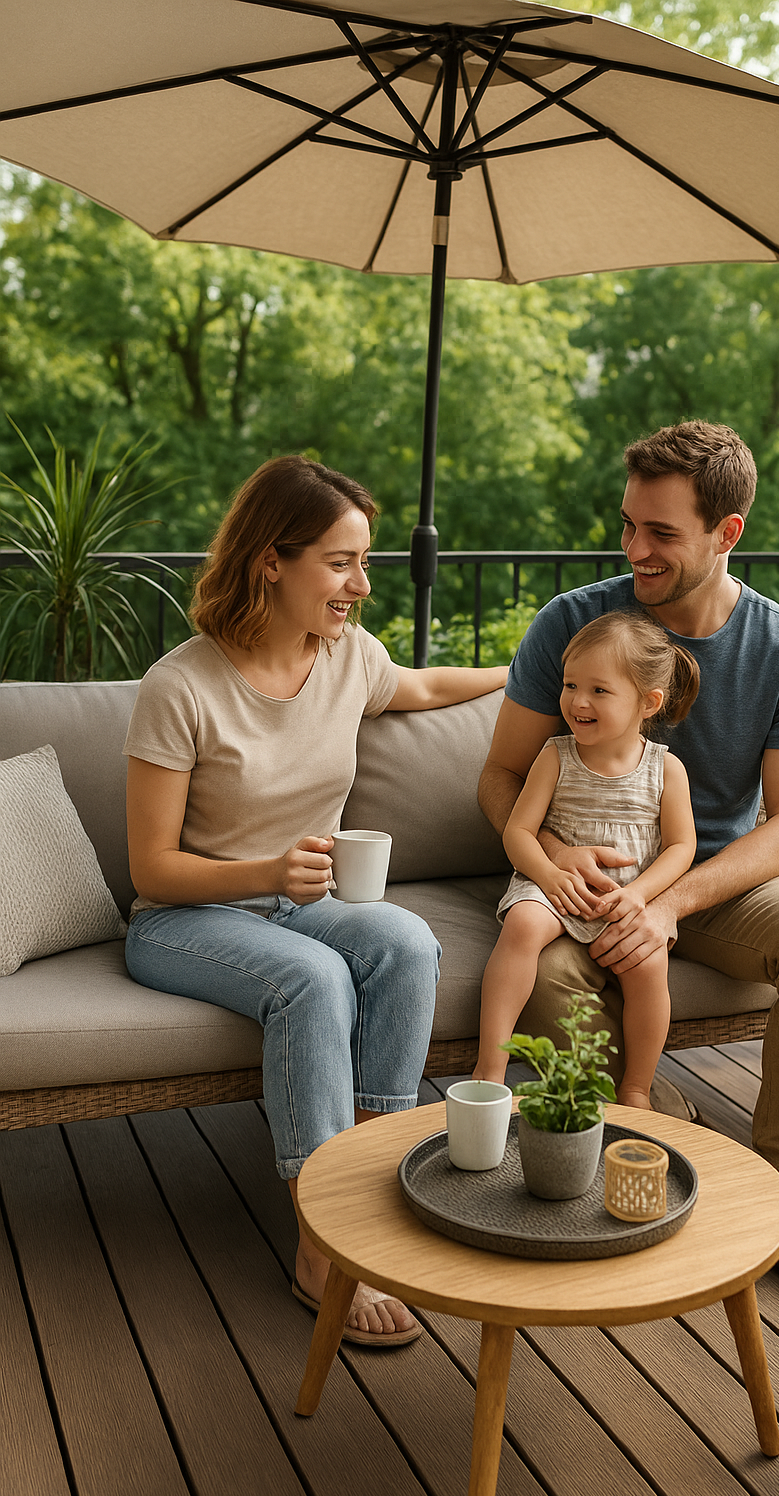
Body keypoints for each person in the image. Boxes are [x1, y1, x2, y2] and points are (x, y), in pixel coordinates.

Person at [478, 421, 779, 1297]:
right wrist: (549, 856)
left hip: (716, 884)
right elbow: (504, 775)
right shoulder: (572, 624)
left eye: (662, 533)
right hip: (587, 889)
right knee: (543, 983)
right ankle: (635, 1128)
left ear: (727, 533)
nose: (635, 549)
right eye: (628, 526)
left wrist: (671, 903)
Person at [123, 455, 507, 1344]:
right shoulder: (180, 686)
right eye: (341, 563)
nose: (361, 585)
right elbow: (151, 871)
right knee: (314, 984)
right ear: (272, 561)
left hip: (297, 905)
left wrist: (523, 675)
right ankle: (322, 1246)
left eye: (363, 562)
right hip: (186, 918)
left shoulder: (350, 658)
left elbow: (423, 687)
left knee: (406, 942)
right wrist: (266, 873)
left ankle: (375, 1194)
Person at [472, 611, 699, 1109]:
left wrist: (639, 895)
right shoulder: (556, 755)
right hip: (553, 886)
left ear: (648, 702)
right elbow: (519, 831)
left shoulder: (666, 769)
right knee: (523, 927)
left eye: (599, 690)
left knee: (648, 964)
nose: (577, 701)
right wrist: (549, 875)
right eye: (571, 684)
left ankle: (637, 1085)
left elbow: (683, 846)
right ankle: (490, 1067)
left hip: (626, 895)